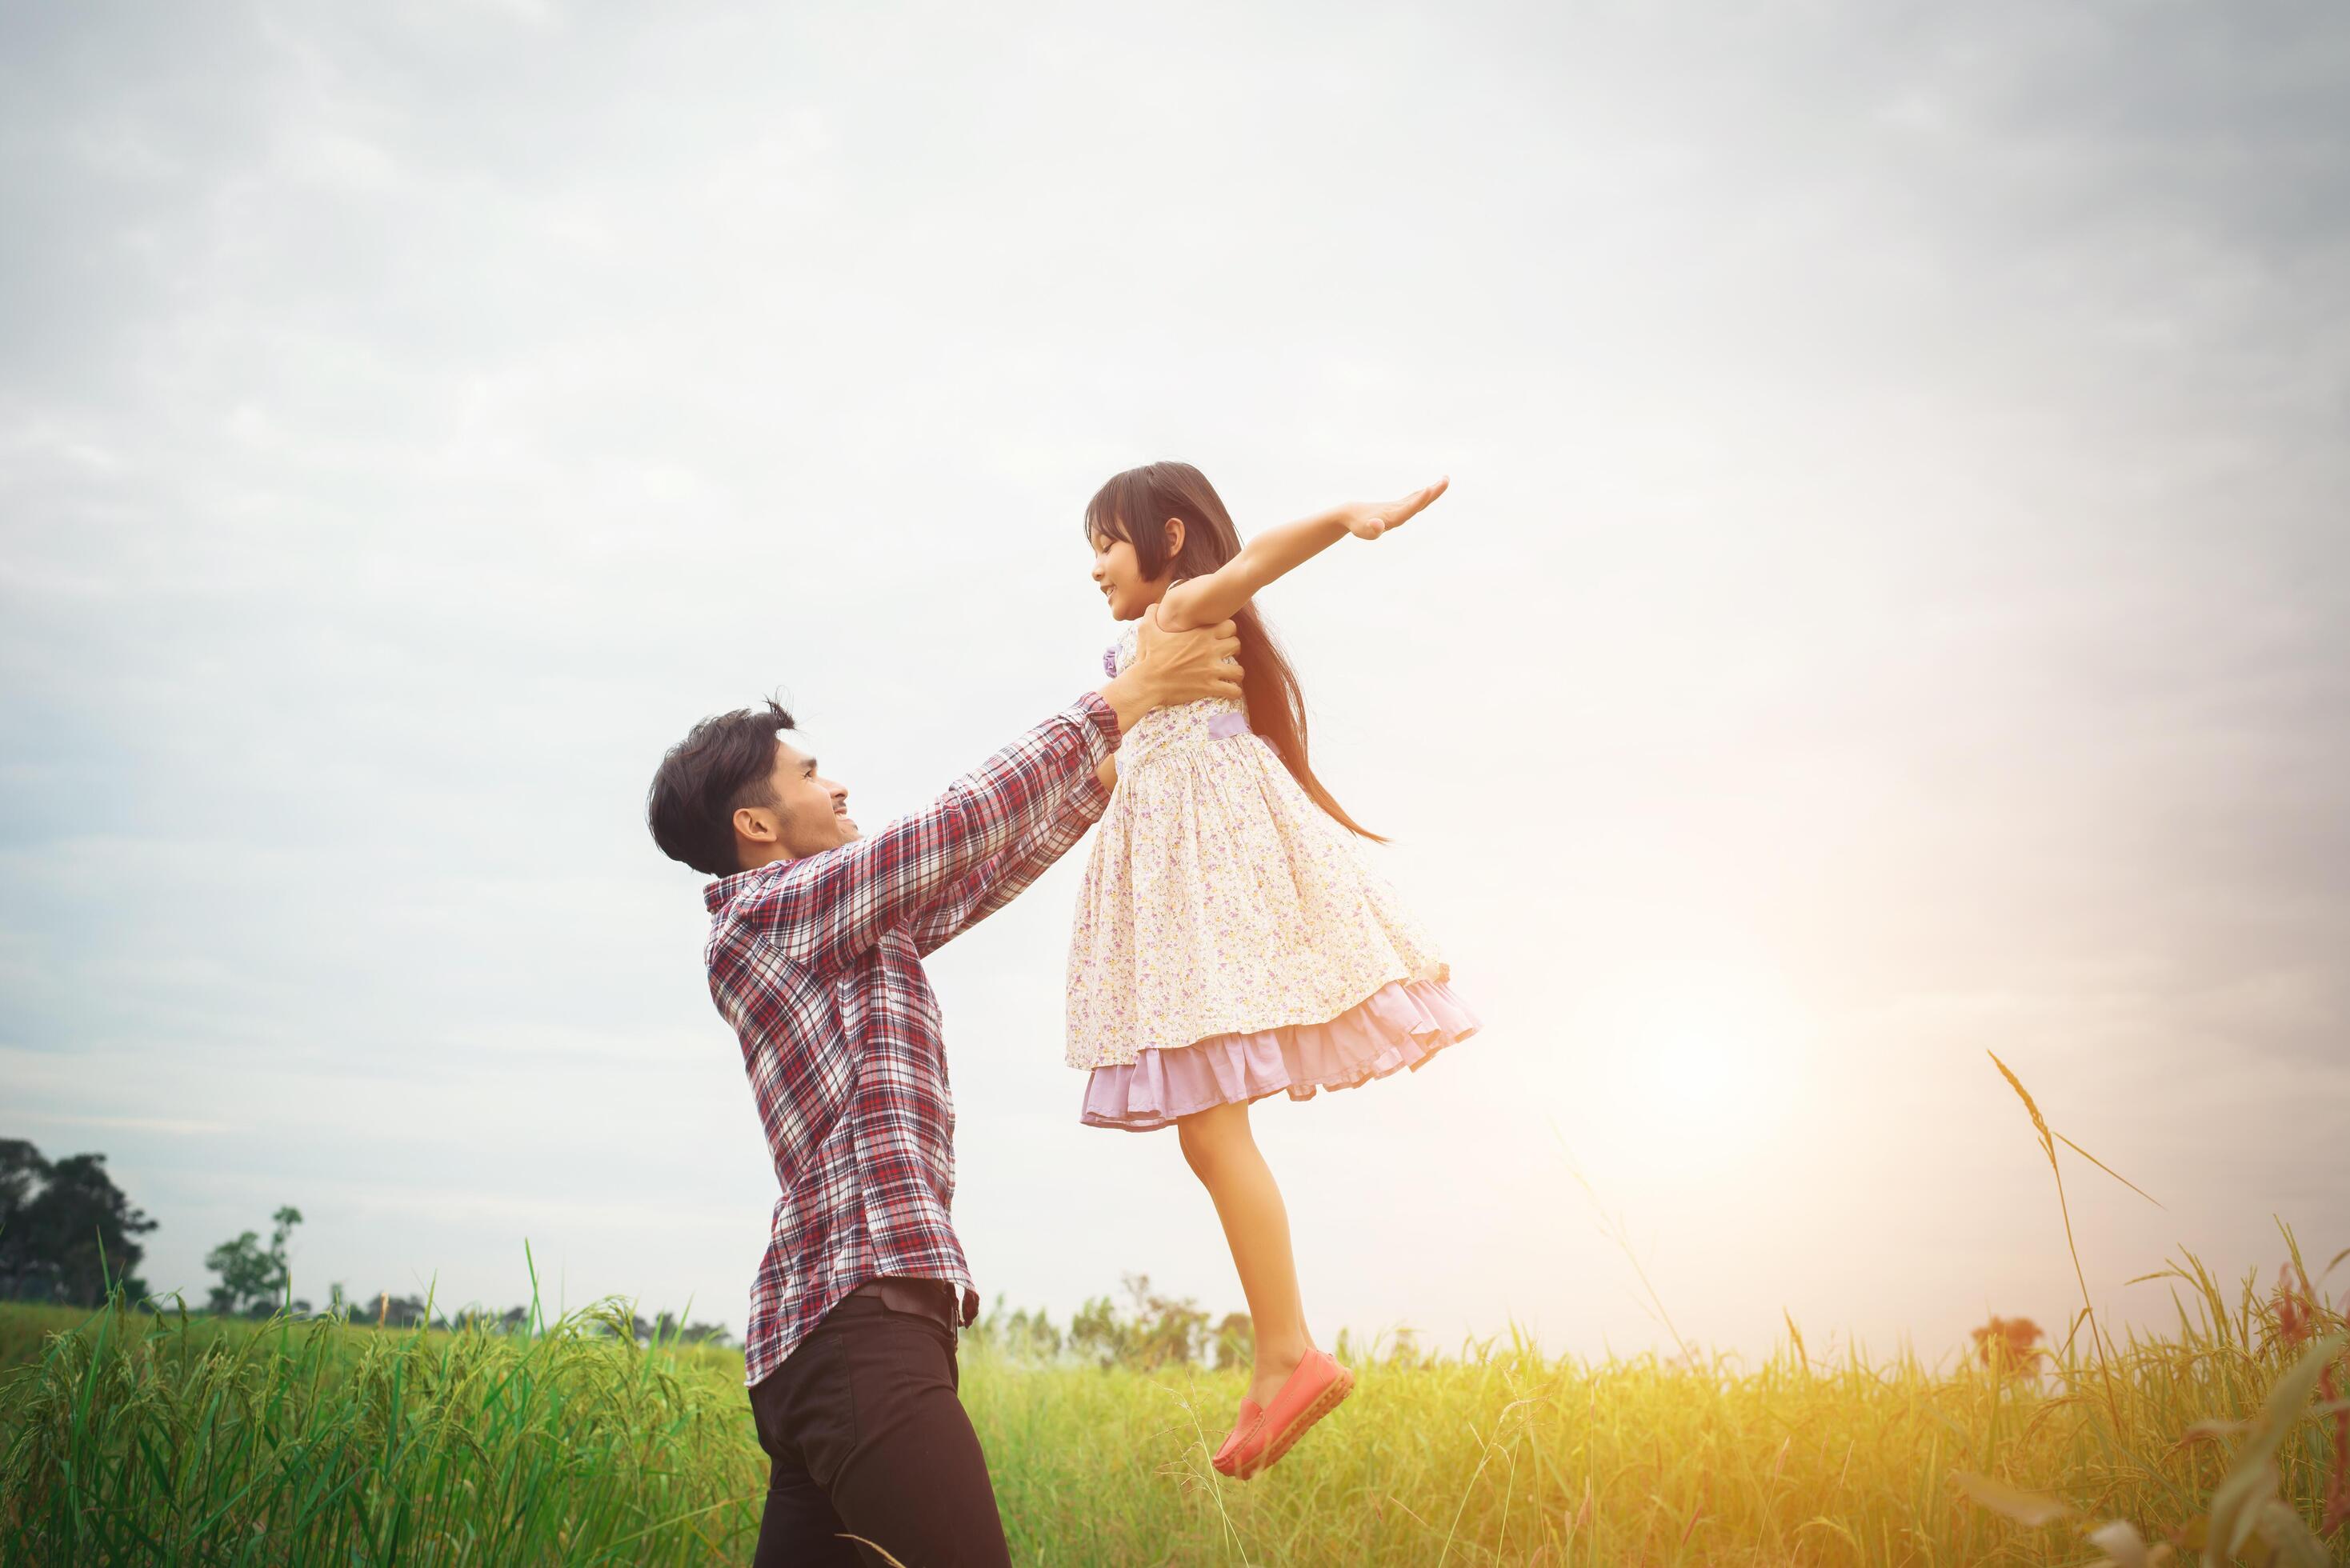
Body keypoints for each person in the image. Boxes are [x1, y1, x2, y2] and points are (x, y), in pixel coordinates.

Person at [646, 611, 1243, 1568]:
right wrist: (1120, 699)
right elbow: (948, 827)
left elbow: (971, 871)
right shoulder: (764, 914)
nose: (835, 782)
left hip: (828, 1346)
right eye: (808, 775)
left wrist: (1103, 775)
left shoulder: (843, 926)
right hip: (858, 1329)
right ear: (754, 825)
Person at [1068, 462, 1480, 1481]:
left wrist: (1343, 516)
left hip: (1205, 906)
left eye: (1106, 543)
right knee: (1208, 1136)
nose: (1093, 568)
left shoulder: (1178, 613)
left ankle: (1287, 1350)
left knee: (1212, 1133)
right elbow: (1123, 769)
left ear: (1166, 541)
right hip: (1186, 907)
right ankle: (1278, 1360)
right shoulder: (1143, 658)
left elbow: (1250, 564)